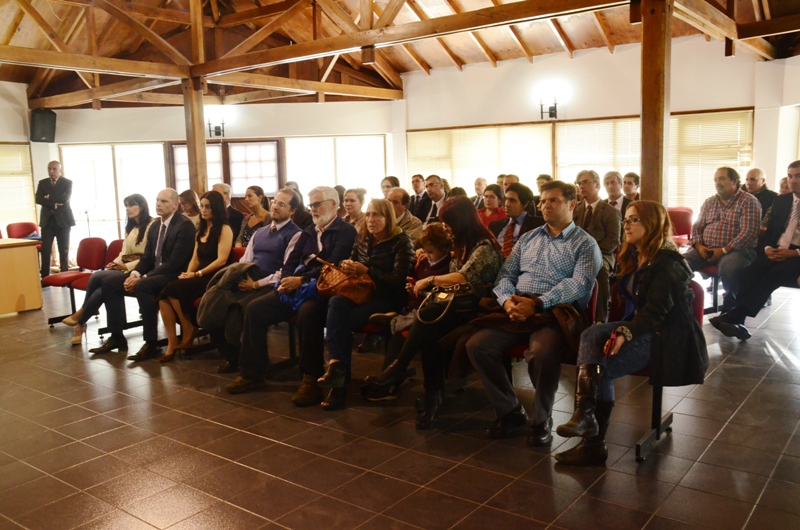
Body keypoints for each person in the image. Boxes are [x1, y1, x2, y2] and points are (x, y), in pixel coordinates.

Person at [555, 201, 708, 465]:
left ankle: (592, 439)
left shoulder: (669, 262)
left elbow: (655, 314)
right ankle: (585, 418)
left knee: (598, 365)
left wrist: (625, 332)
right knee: (591, 335)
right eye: (625, 220)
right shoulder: (637, 254)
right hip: (643, 326)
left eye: (633, 220)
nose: (626, 225)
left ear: (652, 224)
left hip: (667, 336)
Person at [464, 180, 601, 445]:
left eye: (553, 200)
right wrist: (507, 303)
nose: (545, 205)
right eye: (543, 200)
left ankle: (541, 419)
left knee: (542, 351)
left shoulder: (585, 243)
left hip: (554, 312)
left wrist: (536, 304)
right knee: (477, 345)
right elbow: (505, 275)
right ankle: (510, 411)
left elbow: (579, 284)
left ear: (572, 204)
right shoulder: (529, 237)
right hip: (517, 307)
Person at [364, 196, 503, 429]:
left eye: (448, 222)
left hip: (477, 309)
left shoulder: (484, 246)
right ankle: (431, 397)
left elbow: (462, 278)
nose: (446, 228)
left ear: (461, 221)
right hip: (454, 307)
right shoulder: (463, 244)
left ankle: (402, 372)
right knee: (429, 329)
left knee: (428, 317)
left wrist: (430, 279)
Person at [225, 187, 357, 399]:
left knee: (308, 313)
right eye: (311, 205)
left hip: (324, 290)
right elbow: (291, 261)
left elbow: (334, 264)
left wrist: (302, 279)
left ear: (333, 205)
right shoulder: (309, 232)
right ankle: (252, 372)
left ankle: (310, 378)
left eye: (317, 204)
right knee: (255, 308)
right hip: (296, 286)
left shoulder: (345, 231)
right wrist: (287, 279)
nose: (313, 209)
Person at [315, 199, 415, 409]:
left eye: (377, 215)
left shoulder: (401, 241)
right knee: (336, 302)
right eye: (368, 215)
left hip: (388, 298)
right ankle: (337, 369)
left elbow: (398, 281)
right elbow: (352, 261)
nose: (371, 220)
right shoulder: (362, 238)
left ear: (388, 218)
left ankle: (339, 382)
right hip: (362, 292)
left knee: (342, 322)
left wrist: (367, 271)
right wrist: (348, 265)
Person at [203, 188, 302, 373]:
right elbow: (245, 261)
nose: (276, 207)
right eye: (275, 202)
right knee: (215, 302)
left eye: (282, 204)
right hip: (249, 278)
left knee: (241, 309)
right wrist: (242, 278)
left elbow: (287, 271)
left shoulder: (296, 234)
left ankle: (254, 365)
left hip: (272, 284)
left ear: (292, 211)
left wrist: (256, 284)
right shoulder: (260, 233)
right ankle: (232, 357)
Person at [89, 189, 195, 359]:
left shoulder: (184, 225)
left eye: (164, 201)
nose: (159, 204)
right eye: (157, 200)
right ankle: (117, 336)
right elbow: (147, 258)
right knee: (109, 283)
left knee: (143, 286)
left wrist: (144, 277)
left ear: (176, 205)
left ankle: (151, 343)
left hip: (173, 274)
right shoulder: (155, 226)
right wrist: (135, 273)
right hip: (154, 272)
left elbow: (175, 262)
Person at [710, 161, 800, 341]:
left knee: (775, 274)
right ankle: (738, 322)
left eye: (798, 176)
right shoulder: (782, 200)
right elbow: (770, 231)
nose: (793, 181)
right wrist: (767, 249)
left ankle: (734, 316)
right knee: (750, 272)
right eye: (790, 176)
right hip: (778, 249)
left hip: (797, 254)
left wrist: (794, 253)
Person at [363, 223, 453, 401]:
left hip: (430, 311)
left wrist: (424, 288)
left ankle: (389, 379)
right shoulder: (424, 262)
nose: (427, 255)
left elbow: (443, 295)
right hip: (414, 307)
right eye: (425, 251)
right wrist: (413, 285)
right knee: (398, 332)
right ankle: (389, 377)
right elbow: (417, 281)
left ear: (443, 249)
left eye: (431, 252)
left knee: (401, 330)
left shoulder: (447, 266)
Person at [61, 194, 154, 344]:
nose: (128, 209)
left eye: (131, 205)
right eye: (126, 206)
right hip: (124, 267)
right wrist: (114, 264)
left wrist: (125, 266)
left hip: (140, 269)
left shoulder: (151, 225)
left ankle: (80, 319)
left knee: (98, 277)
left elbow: (149, 257)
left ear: (142, 206)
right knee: (101, 286)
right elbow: (123, 253)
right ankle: (82, 321)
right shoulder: (131, 227)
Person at [157, 191, 233, 363]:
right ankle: (172, 342)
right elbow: (195, 258)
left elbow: (221, 260)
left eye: (208, 207)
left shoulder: (224, 229)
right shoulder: (202, 230)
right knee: (163, 294)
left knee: (173, 289)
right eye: (202, 206)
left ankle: (188, 327)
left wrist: (196, 274)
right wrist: (187, 274)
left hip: (214, 276)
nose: (204, 210)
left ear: (216, 209)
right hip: (199, 275)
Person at [683, 167, 761, 312]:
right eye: (716, 179)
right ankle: (681, 300)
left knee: (730, 267)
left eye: (722, 179)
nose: (718, 182)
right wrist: (699, 245)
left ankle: (731, 305)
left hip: (737, 250)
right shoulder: (709, 202)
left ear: (734, 181)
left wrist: (724, 250)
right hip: (705, 248)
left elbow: (749, 231)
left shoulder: (748, 201)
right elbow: (696, 227)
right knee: (678, 264)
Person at [574, 170, 621, 322]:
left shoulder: (610, 211)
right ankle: (571, 315)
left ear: (597, 185)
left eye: (586, 182)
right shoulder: (574, 209)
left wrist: (590, 254)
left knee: (598, 269)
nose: (582, 186)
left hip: (603, 254)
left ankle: (599, 319)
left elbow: (613, 241)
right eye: (579, 183)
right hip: (575, 254)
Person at [36, 160, 75, 279]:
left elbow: (64, 199)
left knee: (63, 250)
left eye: (54, 169)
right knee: (45, 250)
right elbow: (38, 199)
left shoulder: (67, 182)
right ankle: (45, 277)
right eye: (49, 169)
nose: (51, 171)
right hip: (47, 221)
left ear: (60, 170)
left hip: (63, 221)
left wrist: (47, 197)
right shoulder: (42, 183)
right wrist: (54, 203)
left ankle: (64, 276)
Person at [488, 183, 544, 258]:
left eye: (512, 200)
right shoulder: (495, 225)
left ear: (525, 204)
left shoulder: (537, 225)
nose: (506, 204)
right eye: (506, 199)